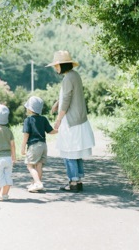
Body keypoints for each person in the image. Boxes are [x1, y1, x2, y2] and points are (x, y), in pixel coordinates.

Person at [47, 50, 95, 192]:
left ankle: (73, 182)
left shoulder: (67, 78)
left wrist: (58, 120)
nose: (55, 68)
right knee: (76, 152)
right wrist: (57, 102)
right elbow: (69, 96)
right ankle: (77, 180)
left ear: (63, 65)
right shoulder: (75, 75)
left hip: (71, 121)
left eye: (57, 65)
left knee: (69, 152)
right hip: (78, 119)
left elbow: (67, 99)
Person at [21, 96, 57, 193]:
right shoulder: (43, 119)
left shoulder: (28, 120)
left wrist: (23, 147)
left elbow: (26, 135)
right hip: (43, 145)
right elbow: (50, 131)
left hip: (34, 146)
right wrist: (59, 130)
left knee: (30, 165)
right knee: (39, 165)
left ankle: (38, 183)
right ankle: (35, 184)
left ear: (29, 108)